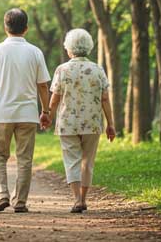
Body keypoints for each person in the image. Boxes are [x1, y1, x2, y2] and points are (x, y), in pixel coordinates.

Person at [0, 8, 51, 213]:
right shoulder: (35, 52)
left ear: (5, 27)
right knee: (24, 159)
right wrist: (45, 111)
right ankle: (20, 201)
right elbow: (43, 85)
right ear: (26, 28)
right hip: (28, 114)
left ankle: (1, 195)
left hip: (2, 113)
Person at [47, 28, 116, 213]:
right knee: (87, 161)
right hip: (92, 123)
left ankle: (77, 199)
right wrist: (110, 124)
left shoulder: (62, 69)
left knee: (72, 161)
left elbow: (55, 99)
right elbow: (105, 99)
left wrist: (48, 116)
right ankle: (84, 198)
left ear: (69, 49)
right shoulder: (97, 69)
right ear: (89, 47)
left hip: (68, 124)